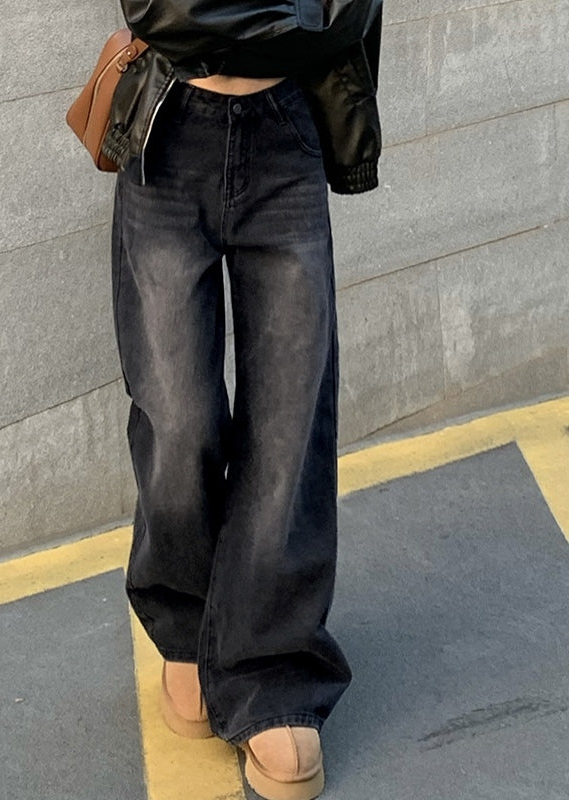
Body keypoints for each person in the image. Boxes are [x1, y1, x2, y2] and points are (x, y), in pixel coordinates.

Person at [106, 2, 383, 798]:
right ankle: (187, 624)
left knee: (290, 421)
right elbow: (163, 12)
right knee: (179, 417)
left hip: (286, 131)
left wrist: (229, 18)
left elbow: (343, 14)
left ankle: (272, 673)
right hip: (169, 126)